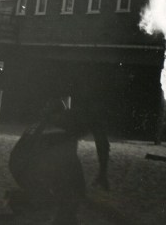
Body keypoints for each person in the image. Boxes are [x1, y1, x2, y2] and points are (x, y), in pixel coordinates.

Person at [6, 94, 110, 224]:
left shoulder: (60, 119)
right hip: (35, 159)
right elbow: (102, 145)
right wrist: (102, 173)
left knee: (55, 195)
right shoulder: (76, 124)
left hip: (17, 162)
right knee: (72, 193)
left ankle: (23, 199)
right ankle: (62, 217)